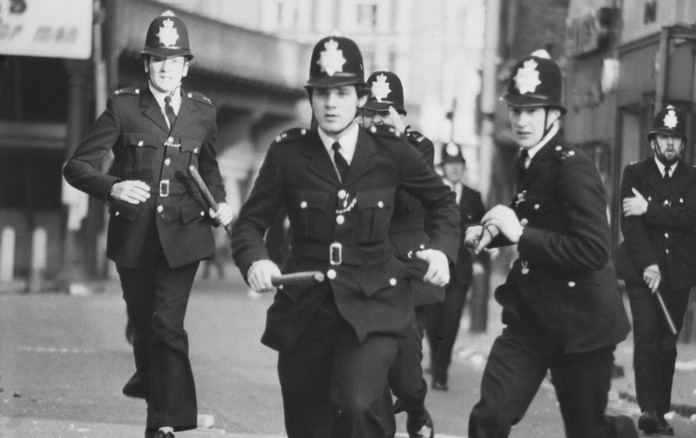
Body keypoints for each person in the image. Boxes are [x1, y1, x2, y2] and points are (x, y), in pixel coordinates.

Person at [230, 36, 460, 438]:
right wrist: (255, 260)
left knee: (357, 405)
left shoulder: (391, 153)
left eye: (341, 92)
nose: (331, 103)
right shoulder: (287, 154)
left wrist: (442, 251)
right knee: (308, 425)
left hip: (372, 308)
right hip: (304, 312)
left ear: (358, 97)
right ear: (311, 98)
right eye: (322, 93)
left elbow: (443, 203)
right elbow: (250, 224)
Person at [62, 11, 234, 438]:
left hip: (185, 235)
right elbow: (77, 166)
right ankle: (152, 380)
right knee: (144, 327)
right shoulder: (122, 107)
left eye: (174, 60)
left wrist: (223, 203)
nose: (165, 67)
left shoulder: (202, 113)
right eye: (157, 59)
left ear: (186, 66)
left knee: (166, 326)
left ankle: (163, 425)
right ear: (146, 63)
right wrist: (113, 187)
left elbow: (209, 170)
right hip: (134, 236)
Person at [464, 51, 637, 438]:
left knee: (588, 430)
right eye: (516, 109)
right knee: (489, 417)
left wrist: (520, 234)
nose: (521, 120)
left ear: (554, 116)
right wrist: (493, 232)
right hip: (530, 320)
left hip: (581, 326)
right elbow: (532, 216)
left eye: (533, 111)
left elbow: (594, 250)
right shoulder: (527, 160)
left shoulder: (573, 167)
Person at [359, 70, 438, 438]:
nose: (377, 120)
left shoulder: (419, 147)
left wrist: (398, 144)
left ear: (402, 117)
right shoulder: (351, 147)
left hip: (405, 266)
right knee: (370, 364)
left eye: (386, 113)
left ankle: (416, 407)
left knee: (407, 368)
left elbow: (408, 203)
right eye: (371, 112)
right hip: (363, 267)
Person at [619, 104, 696, 436]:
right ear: (652, 141)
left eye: (676, 139)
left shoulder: (694, 175)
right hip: (643, 271)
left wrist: (649, 207)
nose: (670, 144)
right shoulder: (634, 174)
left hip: (679, 273)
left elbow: (691, 216)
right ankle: (648, 410)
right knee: (646, 335)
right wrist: (649, 264)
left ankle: (660, 409)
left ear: (682, 145)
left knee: (668, 341)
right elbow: (631, 224)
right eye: (664, 138)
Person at [425, 142, 486, 392]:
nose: (454, 169)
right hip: (433, 270)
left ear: (463, 167)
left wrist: (481, 262)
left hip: (460, 272)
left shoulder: (473, 197)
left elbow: (483, 232)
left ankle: (441, 371)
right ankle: (438, 358)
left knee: (450, 324)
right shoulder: (432, 193)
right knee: (432, 323)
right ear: (443, 167)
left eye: (458, 165)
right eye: (450, 165)